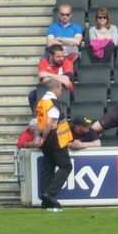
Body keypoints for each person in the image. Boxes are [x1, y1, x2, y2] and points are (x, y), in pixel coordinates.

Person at [36, 79, 73, 210]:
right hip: (56, 139)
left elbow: (40, 122)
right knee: (66, 166)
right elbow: (49, 123)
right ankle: (49, 194)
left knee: (49, 168)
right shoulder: (53, 103)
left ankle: (45, 202)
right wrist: (44, 138)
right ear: (55, 88)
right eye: (61, 89)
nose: (61, 91)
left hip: (46, 139)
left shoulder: (41, 102)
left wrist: (40, 138)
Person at [28, 44, 74, 113]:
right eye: (58, 56)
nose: (61, 58)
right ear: (51, 56)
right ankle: (37, 116)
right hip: (47, 90)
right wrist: (61, 79)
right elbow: (44, 79)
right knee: (32, 95)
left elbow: (67, 80)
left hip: (64, 90)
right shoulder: (43, 62)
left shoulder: (67, 63)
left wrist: (48, 74)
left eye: (62, 56)